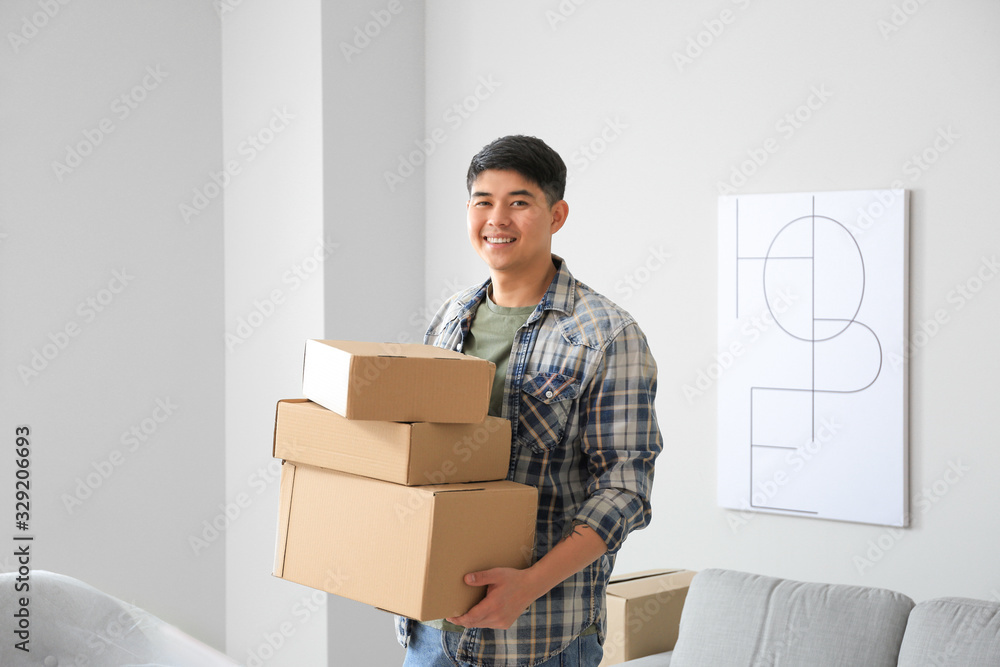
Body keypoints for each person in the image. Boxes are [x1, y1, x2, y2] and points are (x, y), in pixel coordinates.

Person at [397, 135, 663, 667]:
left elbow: (625, 490)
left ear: (556, 214)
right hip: (432, 630)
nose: (497, 218)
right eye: (483, 202)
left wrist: (526, 587)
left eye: (519, 202)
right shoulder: (452, 315)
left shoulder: (606, 334)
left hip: (538, 635)